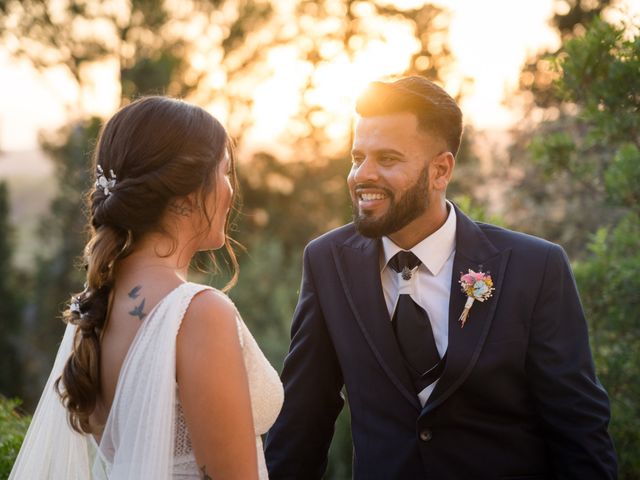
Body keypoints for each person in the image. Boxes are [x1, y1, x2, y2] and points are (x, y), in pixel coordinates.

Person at [265, 76, 617, 479]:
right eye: (357, 156)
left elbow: (579, 432)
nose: (363, 174)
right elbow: (302, 421)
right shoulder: (328, 262)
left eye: (388, 159)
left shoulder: (534, 268)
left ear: (440, 170)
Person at [10, 96, 283, 479]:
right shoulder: (199, 314)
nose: (230, 190)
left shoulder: (96, 311)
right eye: (224, 172)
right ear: (188, 195)